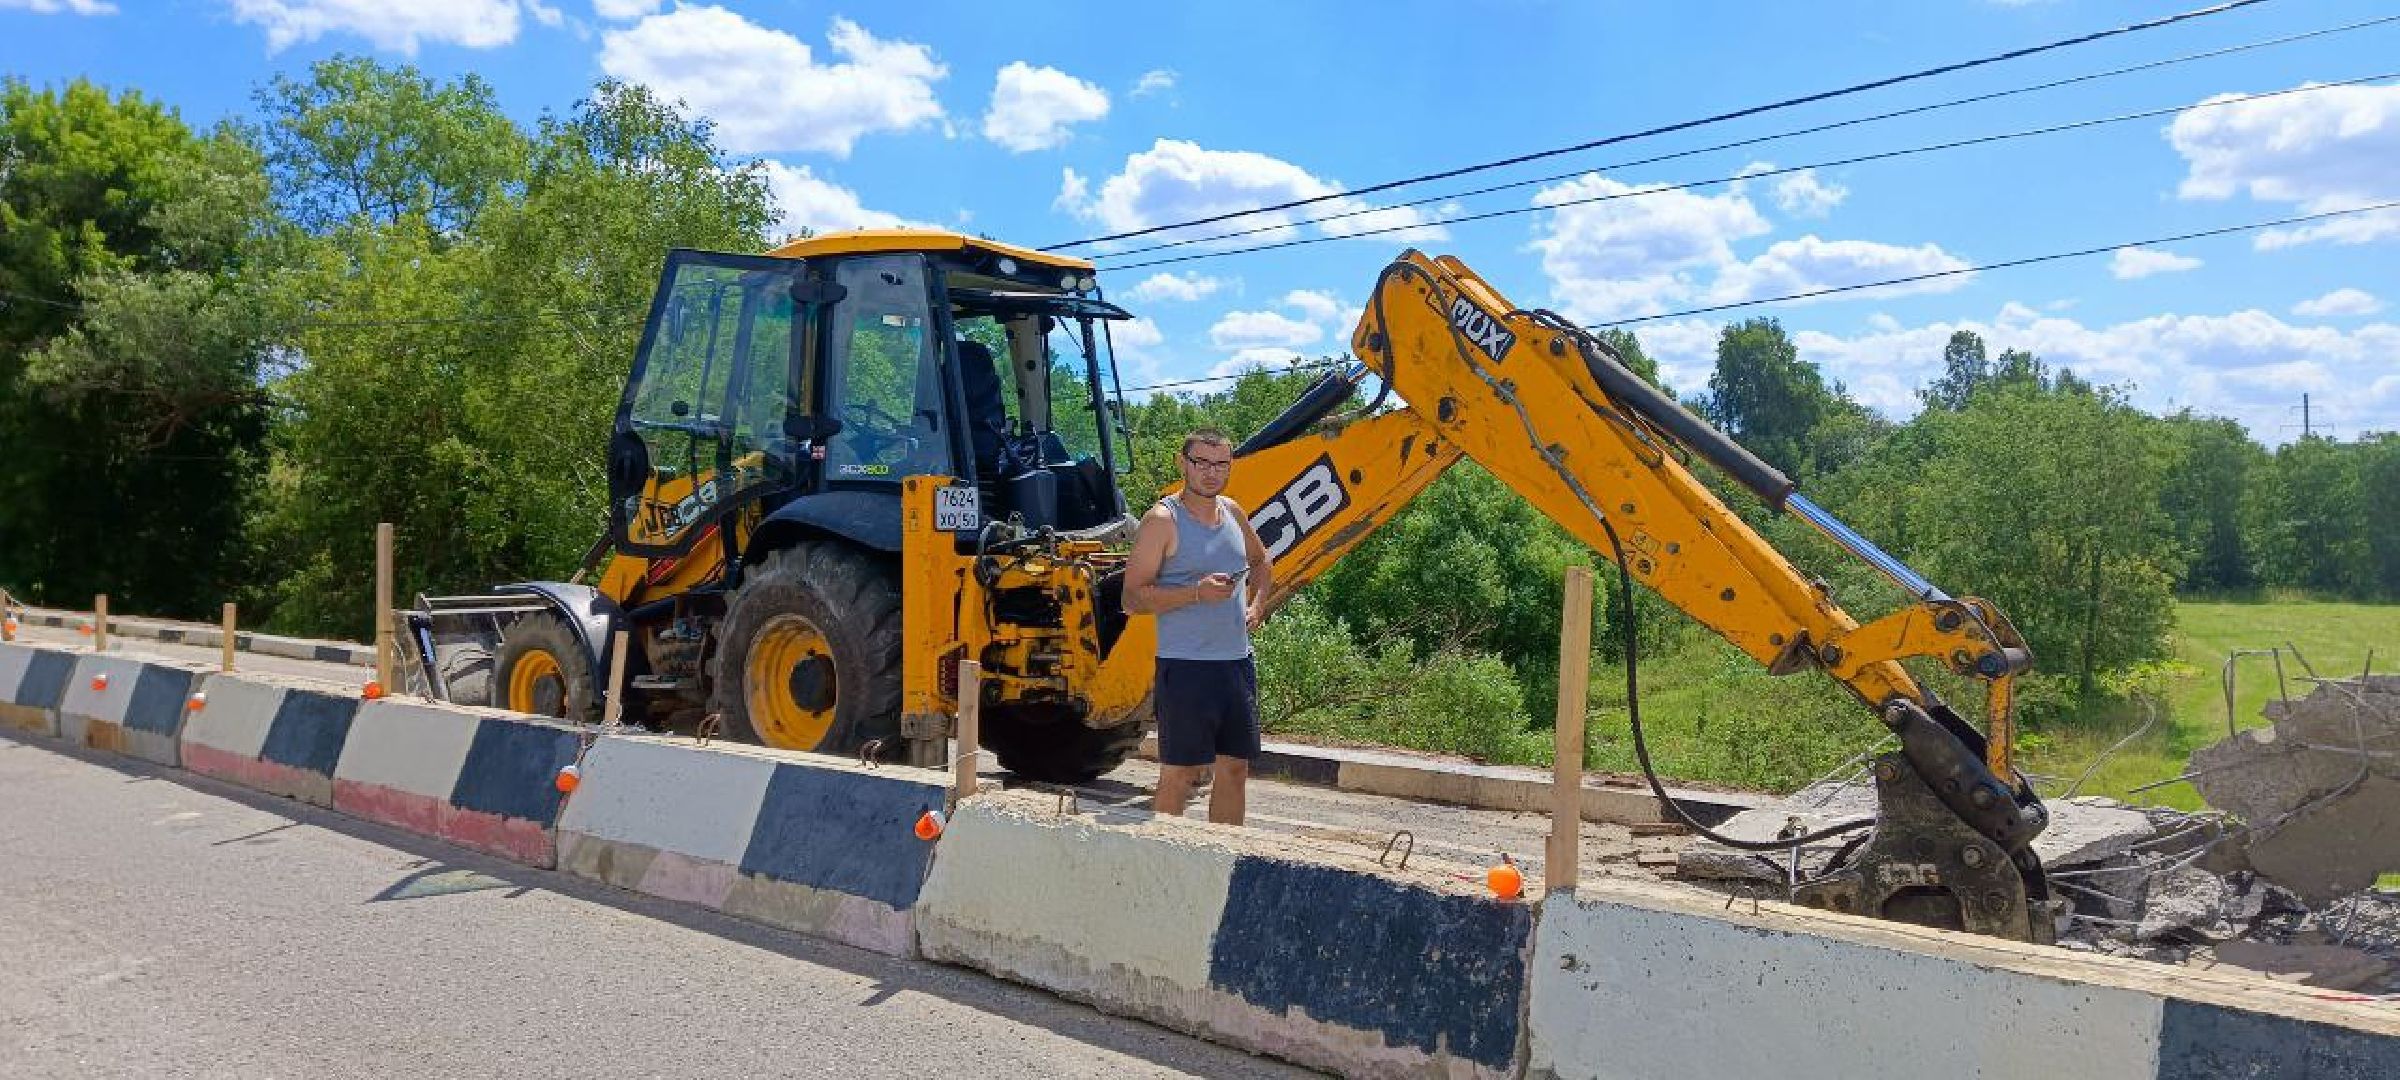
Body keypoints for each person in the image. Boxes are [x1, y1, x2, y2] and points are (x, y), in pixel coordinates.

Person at [1123, 428, 1272, 825]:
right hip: (1185, 667)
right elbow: (1132, 598)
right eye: (1201, 463)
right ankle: (1161, 860)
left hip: (1236, 664)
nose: (1211, 472)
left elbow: (1261, 562)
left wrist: (1257, 606)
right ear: (1182, 463)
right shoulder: (1162, 520)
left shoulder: (1234, 511)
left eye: (1220, 464)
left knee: (1235, 770)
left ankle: (1222, 860)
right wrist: (1195, 593)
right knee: (1181, 775)